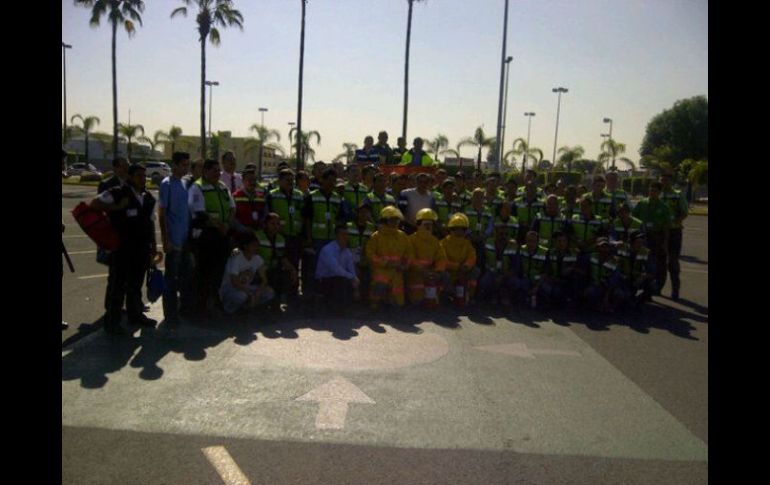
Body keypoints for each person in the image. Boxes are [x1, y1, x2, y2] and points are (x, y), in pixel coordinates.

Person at [91, 163, 161, 334]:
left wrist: (153, 247)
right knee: (118, 287)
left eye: (145, 176)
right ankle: (112, 323)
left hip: (141, 249)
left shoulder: (148, 197)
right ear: (130, 177)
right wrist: (117, 207)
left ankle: (135, 315)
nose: (143, 179)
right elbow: (94, 204)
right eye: (139, 175)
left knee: (136, 286)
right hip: (122, 249)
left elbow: (151, 223)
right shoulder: (118, 192)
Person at [188, 159, 235, 317]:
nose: (217, 173)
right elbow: (200, 212)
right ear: (205, 171)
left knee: (219, 272)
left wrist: (227, 224)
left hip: (222, 234)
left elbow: (232, 208)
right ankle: (201, 307)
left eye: (218, 170)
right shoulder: (197, 187)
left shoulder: (222, 187)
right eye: (214, 170)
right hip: (206, 235)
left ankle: (215, 302)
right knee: (204, 273)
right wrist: (220, 225)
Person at [158, 151, 194, 326]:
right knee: (170, 280)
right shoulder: (167, 184)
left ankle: (183, 311)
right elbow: (162, 214)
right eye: (184, 165)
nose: (186, 168)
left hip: (186, 240)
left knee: (185, 278)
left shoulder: (185, 183)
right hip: (175, 242)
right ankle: (170, 315)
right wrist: (166, 241)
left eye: (188, 165)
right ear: (175, 165)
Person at [302, 168, 344, 297]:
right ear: (322, 180)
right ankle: (309, 295)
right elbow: (307, 219)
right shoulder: (312, 196)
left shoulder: (338, 198)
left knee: (329, 269)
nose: (332, 183)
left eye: (334, 181)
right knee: (313, 268)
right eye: (329, 180)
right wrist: (309, 238)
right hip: (316, 239)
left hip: (331, 240)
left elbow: (339, 220)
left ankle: (326, 296)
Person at [266, 169, 305, 296]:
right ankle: (278, 296)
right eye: (287, 180)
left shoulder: (299, 195)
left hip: (295, 237)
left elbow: (304, 215)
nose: (290, 182)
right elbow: (268, 215)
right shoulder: (272, 195)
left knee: (294, 265)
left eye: (292, 180)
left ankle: (293, 295)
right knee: (278, 267)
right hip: (279, 237)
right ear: (279, 181)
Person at [366, 206, 413, 310]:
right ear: (384, 221)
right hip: (381, 270)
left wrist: (405, 265)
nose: (395, 222)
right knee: (380, 283)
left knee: (398, 303)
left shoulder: (402, 236)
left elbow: (409, 253)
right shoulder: (376, 236)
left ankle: (391, 302)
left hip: (397, 270)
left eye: (397, 219)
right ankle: (374, 302)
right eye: (392, 220)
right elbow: (370, 255)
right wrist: (385, 263)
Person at [632, 181, 672, 296]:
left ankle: (656, 288)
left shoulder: (664, 207)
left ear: (659, 192)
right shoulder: (642, 203)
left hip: (656, 237)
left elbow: (666, 227)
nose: (652, 192)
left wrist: (665, 242)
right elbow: (634, 218)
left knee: (656, 263)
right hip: (641, 236)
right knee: (639, 261)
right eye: (651, 190)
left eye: (655, 191)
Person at [219, 232, 275, 315]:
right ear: (246, 246)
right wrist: (249, 293)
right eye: (253, 246)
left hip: (246, 287)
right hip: (230, 288)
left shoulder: (257, 259)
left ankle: (247, 308)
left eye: (257, 246)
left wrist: (258, 291)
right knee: (242, 296)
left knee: (269, 292)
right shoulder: (236, 258)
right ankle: (229, 309)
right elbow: (234, 281)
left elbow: (264, 279)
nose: (256, 248)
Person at [406, 209, 447, 307]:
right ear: (418, 225)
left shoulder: (435, 241)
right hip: (415, 273)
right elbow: (410, 258)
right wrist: (423, 271)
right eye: (426, 224)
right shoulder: (411, 240)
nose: (429, 227)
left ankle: (435, 296)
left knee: (445, 277)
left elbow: (441, 258)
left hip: (431, 273)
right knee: (417, 302)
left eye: (431, 224)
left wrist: (438, 271)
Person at [315, 225, 361, 311]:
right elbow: (336, 269)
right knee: (342, 280)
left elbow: (351, 269)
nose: (345, 237)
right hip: (324, 281)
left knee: (351, 279)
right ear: (336, 236)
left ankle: (346, 307)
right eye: (342, 234)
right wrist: (352, 277)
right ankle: (335, 308)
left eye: (346, 234)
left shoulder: (347, 251)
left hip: (338, 278)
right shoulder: (327, 250)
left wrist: (356, 287)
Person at [254, 213, 297, 306]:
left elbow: (283, 257)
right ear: (265, 224)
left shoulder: (280, 239)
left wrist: (292, 270)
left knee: (286, 276)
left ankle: (278, 302)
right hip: (258, 270)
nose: (276, 227)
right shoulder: (257, 236)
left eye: (278, 224)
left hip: (273, 269)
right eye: (272, 224)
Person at [660, 172, 689, 300]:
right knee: (660, 261)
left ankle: (675, 290)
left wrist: (674, 223)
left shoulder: (677, 195)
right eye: (662, 180)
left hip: (674, 232)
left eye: (666, 180)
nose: (664, 183)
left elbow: (684, 212)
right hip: (660, 232)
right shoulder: (658, 194)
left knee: (673, 262)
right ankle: (658, 287)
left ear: (671, 181)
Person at [440, 213, 479, 306]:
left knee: (476, 270)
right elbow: (442, 260)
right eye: (456, 228)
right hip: (450, 274)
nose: (459, 231)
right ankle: (445, 295)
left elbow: (472, 257)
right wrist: (458, 267)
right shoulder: (442, 243)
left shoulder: (467, 244)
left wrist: (466, 266)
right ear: (451, 229)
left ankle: (469, 295)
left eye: (462, 229)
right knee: (443, 274)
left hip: (463, 273)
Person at [478, 222, 519, 306]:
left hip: (506, 274)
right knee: (484, 282)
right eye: (501, 234)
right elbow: (482, 260)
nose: (503, 236)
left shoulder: (513, 245)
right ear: (495, 234)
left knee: (514, 281)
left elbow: (515, 266)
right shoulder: (488, 242)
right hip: (491, 271)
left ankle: (505, 295)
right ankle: (492, 296)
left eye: (506, 234)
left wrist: (503, 276)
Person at [616, 230, 655, 310]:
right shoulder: (622, 248)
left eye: (641, 242)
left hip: (637, 279)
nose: (640, 244)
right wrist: (621, 276)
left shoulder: (646, 252)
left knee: (653, 285)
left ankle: (639, 301)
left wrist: (642, 277)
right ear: (631, 242)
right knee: (620, 295)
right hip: (623, 279)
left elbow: (652, 271)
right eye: (637, 242)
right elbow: (614, 266)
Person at [583, 237, 624, 313]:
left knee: (619, 294)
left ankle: (610, 306)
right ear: (597, 247)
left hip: (609, 288)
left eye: (606, 247)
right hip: (595, 286)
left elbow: (613, 281)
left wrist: (606, 297)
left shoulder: (614, 261)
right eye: (601, 247)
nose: (604, 249)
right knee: (589, 292)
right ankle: (597, 305)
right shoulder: (591, 256)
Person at [541, 231, 581, 308]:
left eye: (564, 241)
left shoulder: (574, 253)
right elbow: (546, 268)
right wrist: (549, 278)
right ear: (555, 242)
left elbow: (580, 270)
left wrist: (572, 269)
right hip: (553, 280)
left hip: (567, 282)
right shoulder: (550, 253)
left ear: (567, 242)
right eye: (559, 241)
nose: (561, 243)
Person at [346, 204, 377, 301]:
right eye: (361, 212)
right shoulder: (348, 226)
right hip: (351, 257)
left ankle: (366, 298)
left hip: (366, 257)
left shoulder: (372, 228)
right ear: (357, 213)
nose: (363, 214)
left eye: (366, 212)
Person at [513, 231, 548, 308]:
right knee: (516, 283)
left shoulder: (544, 252)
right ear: (526, 240)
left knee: (548, 290)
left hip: (539, 281)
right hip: (525, 279)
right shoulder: (521, 249)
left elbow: (545, 272)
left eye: (534, 241)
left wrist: (536, 286)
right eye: (529, 241)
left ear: (538, 242)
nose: (531, 243)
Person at [232, 168, 268, 237]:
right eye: (249, 180)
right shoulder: (235, 196)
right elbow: (232, 217)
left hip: (258, 234)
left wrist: (261, 226)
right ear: (243, 181)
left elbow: (265, 215)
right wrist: (244, 229)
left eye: (254, 180)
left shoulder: (261, 197)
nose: (252, 182)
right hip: (240, 234)